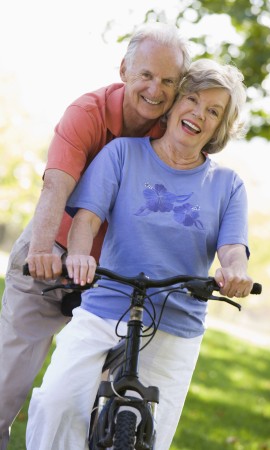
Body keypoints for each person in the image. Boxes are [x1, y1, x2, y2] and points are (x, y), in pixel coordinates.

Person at [26, 58, 254, 450]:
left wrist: (235, 271)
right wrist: (80, 256)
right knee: (57, 402)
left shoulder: (228, 185)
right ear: (176, 101)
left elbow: (232, 248)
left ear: (220, 126)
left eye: (213, 111)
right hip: (106, 304)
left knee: (152, 432)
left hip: (176, 320)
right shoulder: (122, 154)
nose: (199, 114)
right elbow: (89, 218)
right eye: (193, 100)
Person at [0, 22, 191, 449]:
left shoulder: (172, 129)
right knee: (5, 387)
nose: (156, 90)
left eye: (168, 81)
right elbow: (57, 184)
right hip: (56, 250)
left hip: (115, 276)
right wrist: (45, 248)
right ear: (124, 69)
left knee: (99, 402)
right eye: (146, 75)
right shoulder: (87, 112)